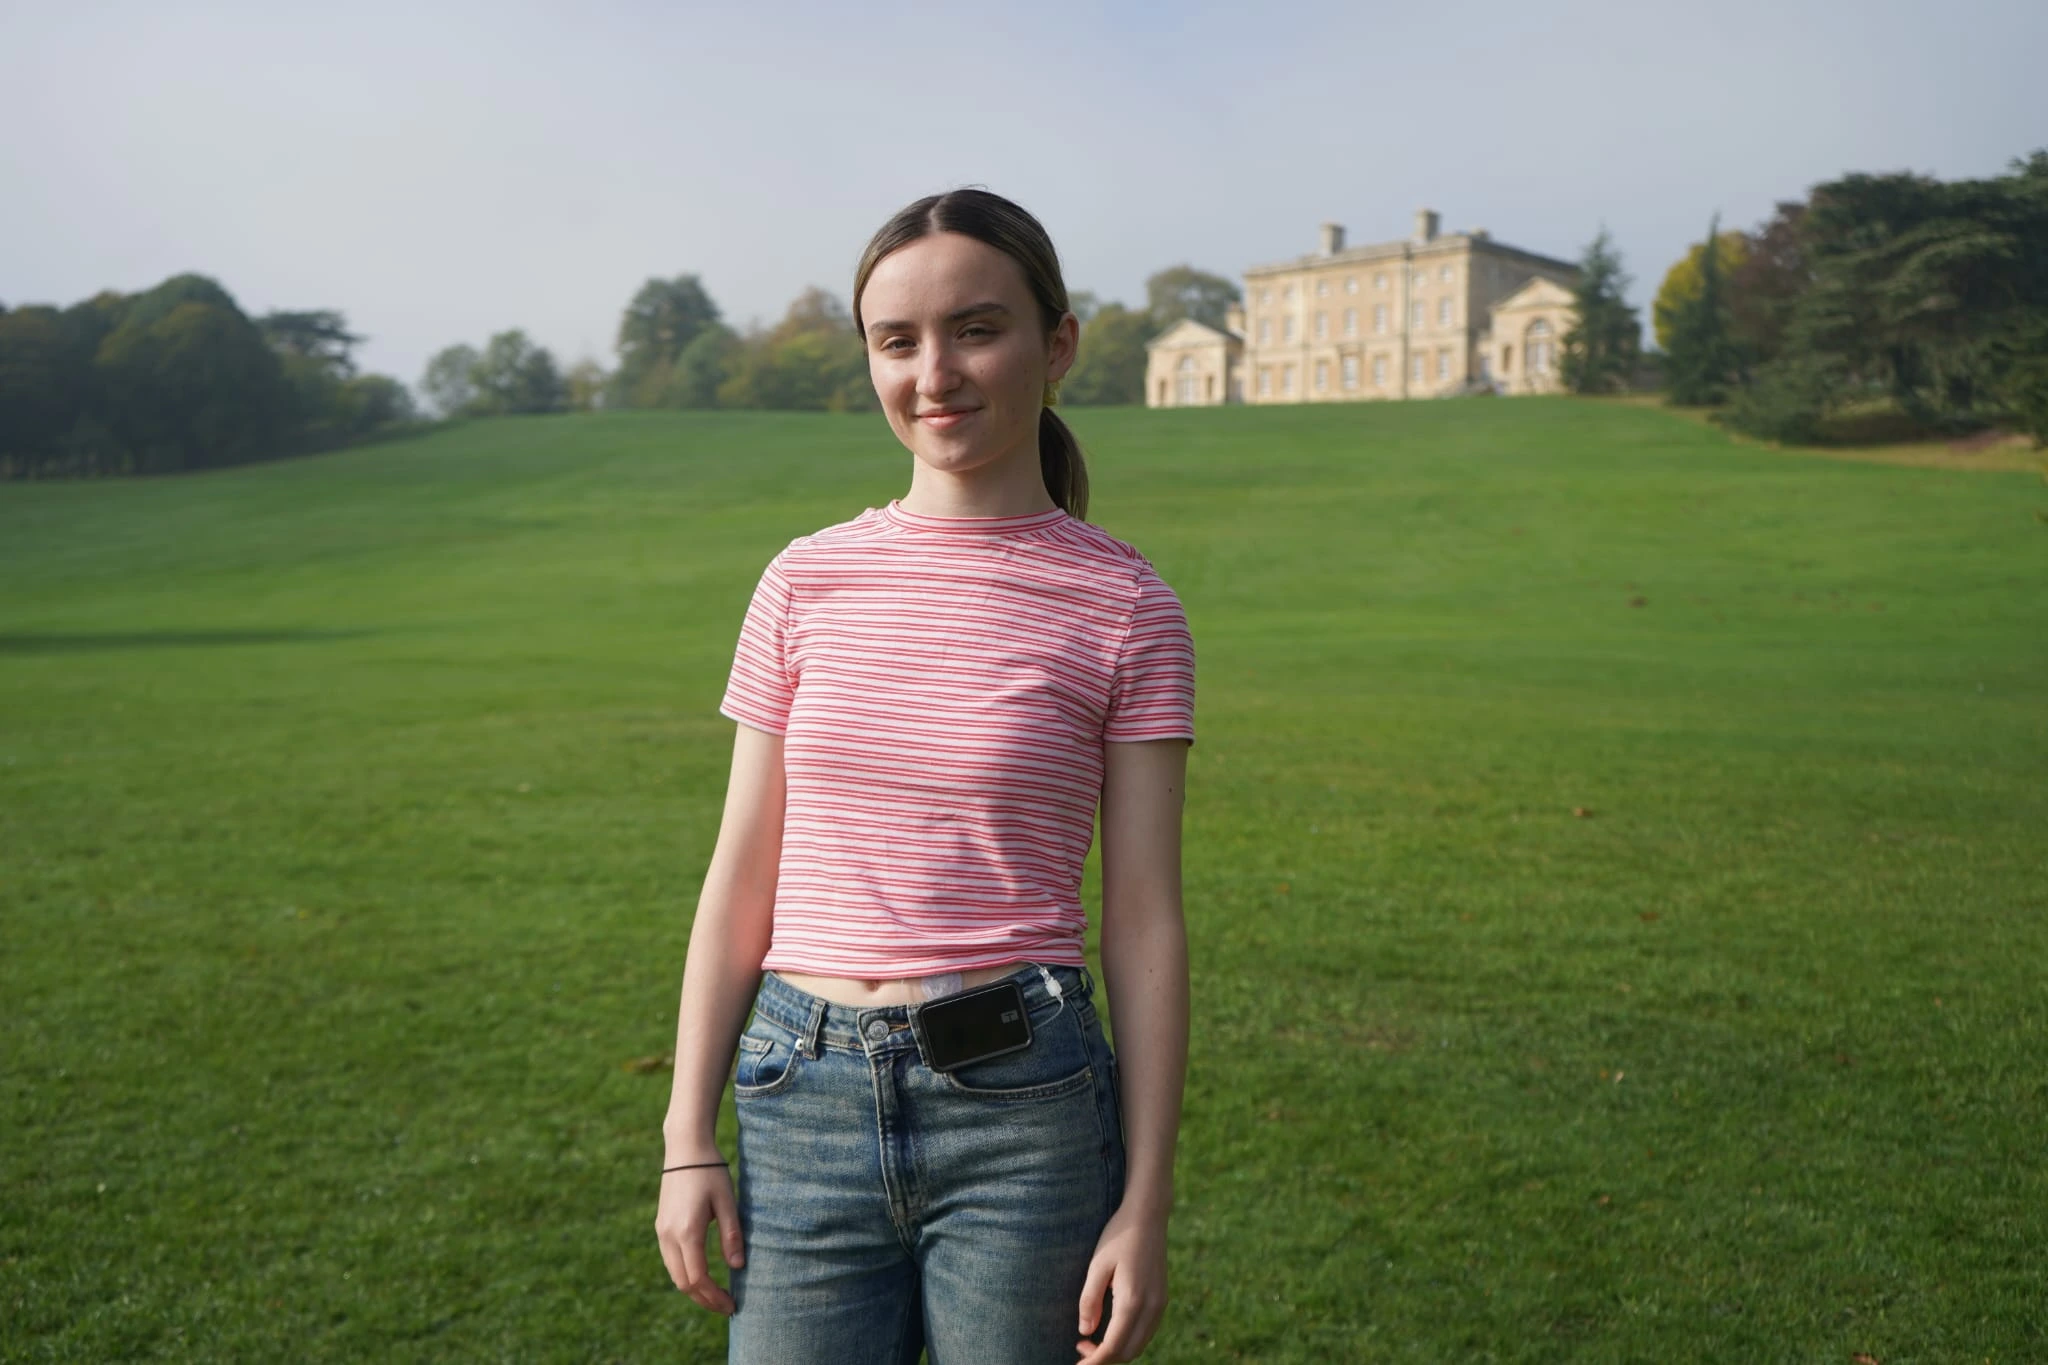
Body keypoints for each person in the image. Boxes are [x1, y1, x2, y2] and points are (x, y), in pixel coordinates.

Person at [654, 187, 1195, 1365]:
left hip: (1025, 1113)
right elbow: (740, 870)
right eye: (896, 341)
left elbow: (1144, 919)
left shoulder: (1127, 606)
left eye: (976, 328)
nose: (934, 372)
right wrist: (686, 1134)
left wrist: (1145, 1201)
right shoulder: (801, 582)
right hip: (798, 1094)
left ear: (1055, 345)